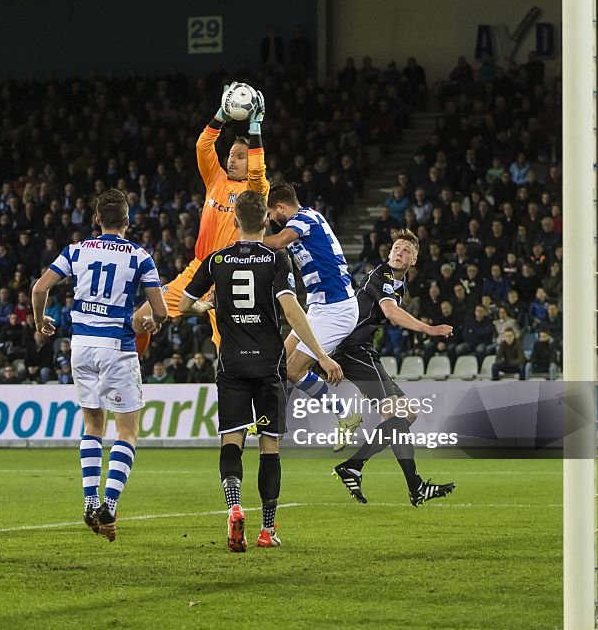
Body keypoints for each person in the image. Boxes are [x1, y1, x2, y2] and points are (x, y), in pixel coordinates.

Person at [179, 191, 342, 552]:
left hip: (232, 363)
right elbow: (292, 312)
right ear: (265, 221)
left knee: (231, 440)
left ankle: (234, 506)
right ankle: (267, 530)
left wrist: (207, 304)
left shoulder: (216, 259)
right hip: (268, 364)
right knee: (270, 447)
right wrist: (322, 356)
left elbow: (184, 303)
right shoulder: (275, 260)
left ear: (235, 221)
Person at [31, 189, 166, 542]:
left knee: (92, 425)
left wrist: (40, 321)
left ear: (96, 220)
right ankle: (108, 502)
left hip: (81, 346)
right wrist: (154, 321)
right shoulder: (140, 257)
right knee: (127, 432)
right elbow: (161, 309)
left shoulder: (76, 250)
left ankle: (90, 500)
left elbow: (39, 288)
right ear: (127, 220)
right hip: (116, 347)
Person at [133, 84, 269, 354]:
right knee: (140, 319)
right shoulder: (216, 179)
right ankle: (130, 376)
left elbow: (257, 170)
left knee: (228, 352)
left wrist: (255, 130)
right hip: (198, 269)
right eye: (230, 155)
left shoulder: (255, 190)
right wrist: (220, 114)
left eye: (240, 157)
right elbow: (203, 145)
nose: (232, 160)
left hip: (231, 275)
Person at [330, 229, 456, 506]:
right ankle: (415, 486)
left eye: (406, 250)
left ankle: (354, 466)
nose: (400, 253)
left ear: (414, 259)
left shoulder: (401, 283)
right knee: (396, 414)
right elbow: (390, 312)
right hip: (352, 350)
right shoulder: (381, 275)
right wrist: (428, 328)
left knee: (406, 414)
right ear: (389, 254)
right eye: (396, 248)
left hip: (364, 352)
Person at [262, 182, 357, 402]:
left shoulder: (305, 219)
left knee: (294, 370)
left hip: (338, 309)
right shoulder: (301, 224)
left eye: (271, 213)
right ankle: (274, 420)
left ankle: (346, 413)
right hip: (318, 309)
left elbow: (277, 242)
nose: (272, 220)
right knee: (279, 362)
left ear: (281, 207)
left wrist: (245, 238)